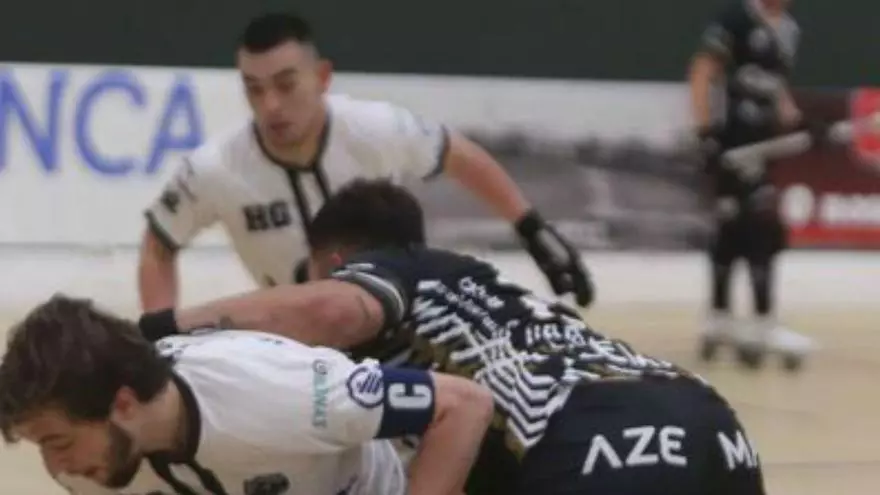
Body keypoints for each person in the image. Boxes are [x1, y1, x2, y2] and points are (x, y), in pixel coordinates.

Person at [140, 180, 766, 495]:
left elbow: (333, 311)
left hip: (594, 444)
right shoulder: (491, 301)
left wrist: (154, 332)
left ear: (335, 260)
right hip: (713, 428)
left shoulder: (392, 273)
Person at [138, 11, 593, 314]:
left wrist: (532, 230)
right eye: (254, 89)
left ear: (322, 77)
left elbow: (459, 154)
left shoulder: (376, 128)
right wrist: (161, 340)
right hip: (297, 344)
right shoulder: (216, 168)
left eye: (285, 84)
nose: (270, 104)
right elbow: (159, 245)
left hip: (402, 313)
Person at [0, 295, 494, 495]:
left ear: (124, 404)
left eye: (58, 442)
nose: (56, 468)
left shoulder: (278, 391)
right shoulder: (89, 471)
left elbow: (461, 406)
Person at [688, 0, 814, 367]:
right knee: (748, 228)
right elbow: (702, 72)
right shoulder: (736, 20)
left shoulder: (788, 30)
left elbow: (776, 87)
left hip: (763, 146)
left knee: (747, 229)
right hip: (732, 142)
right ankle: (752, 322)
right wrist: (705, 133)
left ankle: (728, 320)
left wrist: (796, 119)